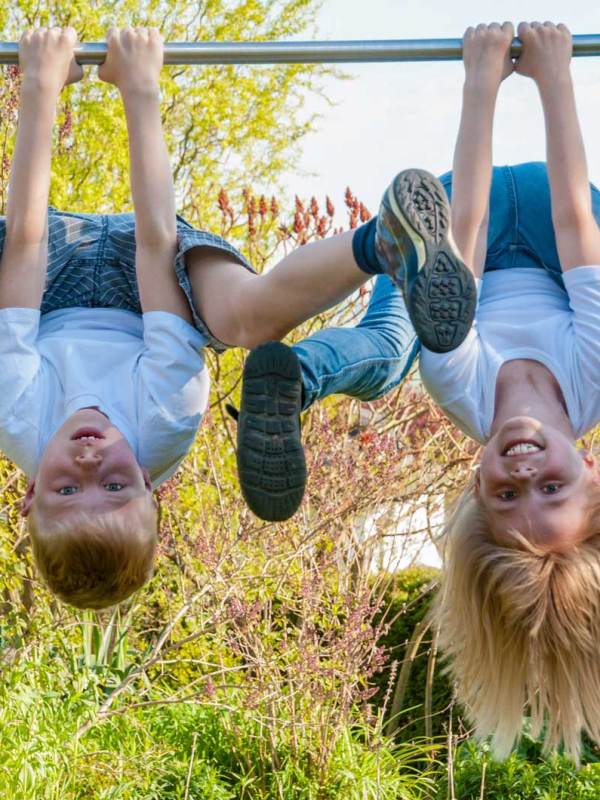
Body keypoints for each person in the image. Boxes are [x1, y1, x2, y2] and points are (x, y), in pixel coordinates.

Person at [6, 28, 473, 606]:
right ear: (149, 484)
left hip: (50, 275)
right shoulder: (164, 423)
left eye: (66, 487)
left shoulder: (17, 417)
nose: (89, 461)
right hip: (144, 284)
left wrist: (41, 86)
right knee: (247, 320)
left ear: (28, 492)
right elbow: (156, 247)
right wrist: (141, 87)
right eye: (114, 484)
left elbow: (25, 244)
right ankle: (383, 245)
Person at [420, 22, 600, 764]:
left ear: (475, 484)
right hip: (569, 216)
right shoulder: (595, 373)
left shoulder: (453, 382)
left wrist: (482, 80)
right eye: (550, 487)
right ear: (593, 474)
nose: (522, 473)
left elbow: (463, 230)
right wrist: (554, 77)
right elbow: (574, 222)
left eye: (504, 497)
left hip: (484, 223)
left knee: (435, 261)